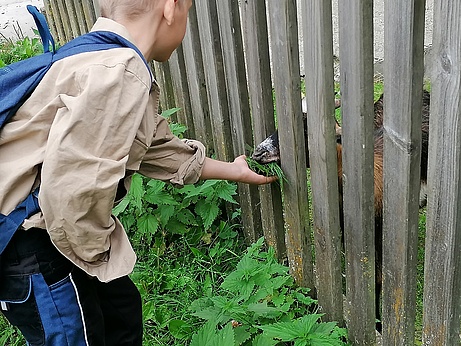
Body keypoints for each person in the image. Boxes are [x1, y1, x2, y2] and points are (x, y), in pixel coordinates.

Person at [0, 0, 276, 344]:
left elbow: (154, 147)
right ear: (171, 8)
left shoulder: (98, 55)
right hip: (32, 244)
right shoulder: (121, 71)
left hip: (50, 232)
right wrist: (98, 254)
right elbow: (74, 190)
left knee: (121, 312)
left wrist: (235, 171)